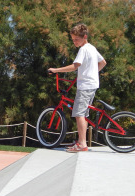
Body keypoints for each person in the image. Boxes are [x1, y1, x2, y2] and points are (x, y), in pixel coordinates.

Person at [48, 23, 107, 153]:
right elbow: (103, 63)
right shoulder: (92, 48)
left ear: (84, 36)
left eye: (76, 39)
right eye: (73, 39)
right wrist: (92, 72)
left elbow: (75, 66)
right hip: (92, 85)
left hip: (85, 86)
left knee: (79, 114)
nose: (74, 42)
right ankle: (82, 141)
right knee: (83, 114)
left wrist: (56, 70)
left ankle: (81, 144)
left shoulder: (84, 49)